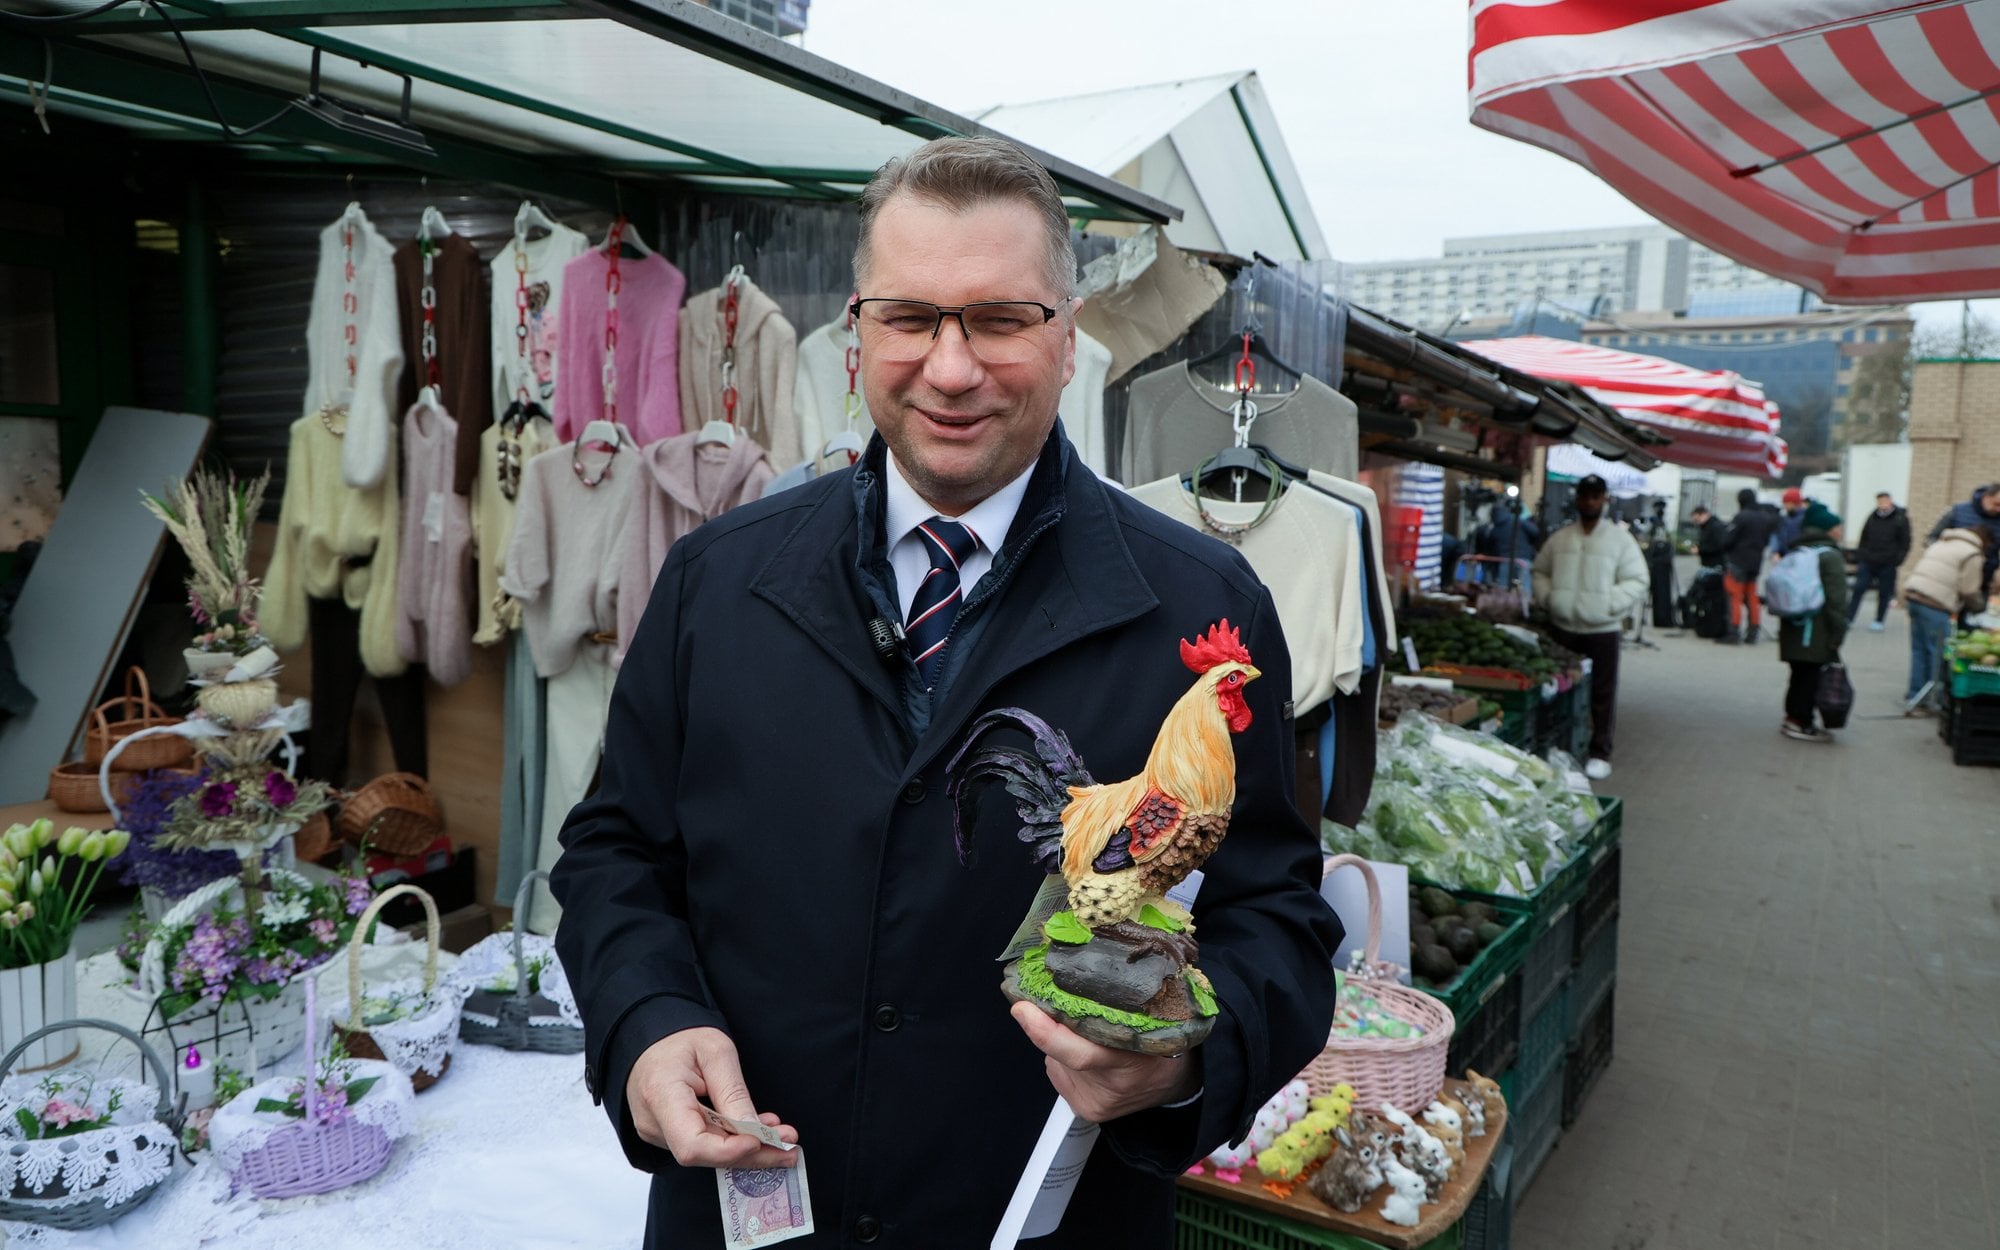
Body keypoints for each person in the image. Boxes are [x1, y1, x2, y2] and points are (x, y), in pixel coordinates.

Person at [549, 136, 1341, 1249]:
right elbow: (614, 852)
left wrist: (1183, 1062)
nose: (951, 367)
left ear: (1068, 339)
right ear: (856, 334)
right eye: (910, 317)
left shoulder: (1195, 607)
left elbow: (1279, 921)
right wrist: (645, 1017)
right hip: (748, 1210)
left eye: (1000, 319)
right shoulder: (716, 582)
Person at [1532, 474, 1649, 781]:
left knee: (1603, 693)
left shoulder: (1620, 540)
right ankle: (1559, 749)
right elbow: (1540, 571)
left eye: (1595, 497)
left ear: (1604, 500)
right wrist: (1549, 598)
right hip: (1563, 626)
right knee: (1559, 690)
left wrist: (1610, 604)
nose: (1589, 502)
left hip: (1602, 629)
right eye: (1585, 496)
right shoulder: (1561, 538)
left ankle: (1599, 751)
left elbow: (1638, 579)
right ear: (1577, 499)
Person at [1777, 502, 1849, 742]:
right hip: (1816, 629)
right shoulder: (1830, 556)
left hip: (1793, 626)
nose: (1840, 530)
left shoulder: (1798, 550)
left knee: (1799, 675)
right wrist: (1838, 634)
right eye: (1837, 526)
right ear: (1827, 529)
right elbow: (1837, 600)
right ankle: (1801, 723)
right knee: (1810, 678)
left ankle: (1792, 719)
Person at [1902, 525, 1992, 711]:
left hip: (1914, 595)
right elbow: (1969, 589)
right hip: (1935, 602)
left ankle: (1915, 693)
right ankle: (1932, 699)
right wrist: (1980, 608)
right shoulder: (1972, 553)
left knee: (1919, 649)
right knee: (1937, 653)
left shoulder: (1944, 542)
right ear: (1985, 541)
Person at [1719, 488, 1780, 644]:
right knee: (1752, 597)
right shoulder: (1764, 518)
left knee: (1735, 597)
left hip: (1738, 561)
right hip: (1755, 562)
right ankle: (1753, 630)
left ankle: (1734, 631)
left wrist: (1725, 546)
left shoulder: (1741, 517)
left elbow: (1728, 540)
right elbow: (1766, 540)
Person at [1848, 491, 1910, 631]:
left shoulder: (1900, 519)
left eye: (1884, 501)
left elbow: (1905, 541)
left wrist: (1897, 560)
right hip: (1868, 561)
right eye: (1879, 502)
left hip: (1887, 563)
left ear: (1890, 501)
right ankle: (1849, 617)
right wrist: (1861, 555)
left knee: (1884, 593)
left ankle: (1879, 620)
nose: (1882, 505)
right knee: (1858, 588)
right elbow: (1863, 537)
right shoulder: (1872, 516)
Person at [1926, 483, 2000, 593]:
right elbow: (1931, 538)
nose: (1999, 509)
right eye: (1996, 504)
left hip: (1982, 581)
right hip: (1949, 578)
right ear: (1986, 497)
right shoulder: (1958, 510)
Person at [1773, 486, 1808, 556]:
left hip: (1797, 557)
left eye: (1786, 503)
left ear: (1793, 503)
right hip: (1785, 558)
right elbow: (1779, 537)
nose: (1784, 505)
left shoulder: (1804, 519)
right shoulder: (1785, 518)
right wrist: (1777, 552)